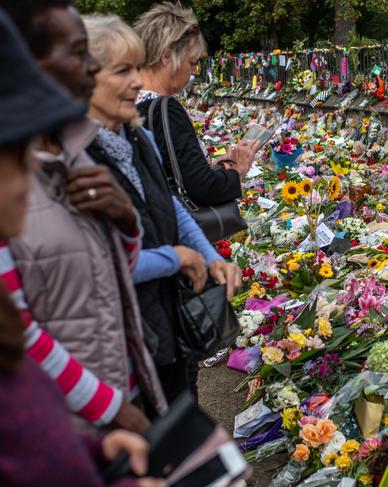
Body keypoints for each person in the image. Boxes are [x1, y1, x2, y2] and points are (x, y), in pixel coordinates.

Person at [0, 9, 163, 486]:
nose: (90, 67)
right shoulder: (31, 171)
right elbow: (19, 328)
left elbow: (116, 273)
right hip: (72, 413)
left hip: (105, 398)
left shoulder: (73, 155)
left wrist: (126, 222)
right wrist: (110, 409)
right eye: (78, 54)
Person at [82, 14, 243, 401]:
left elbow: (168, 204)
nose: (138, 82)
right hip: (119, 331)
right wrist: (175, 257)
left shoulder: (136, 136)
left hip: (163, 314)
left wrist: (208, 257)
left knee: (182, 405)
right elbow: (100, 259)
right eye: (123, 71)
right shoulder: (75, 158)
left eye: (136, 68)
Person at [134, 1, 258, 206]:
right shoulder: (164, 110)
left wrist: (218, 166)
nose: (193, 71)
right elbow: (202, 188)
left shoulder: (125, 102)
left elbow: (174, 172)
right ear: (167, 56)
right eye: (191, 62)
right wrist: (237, 170)